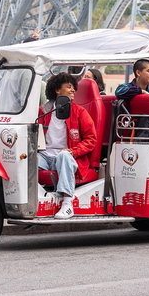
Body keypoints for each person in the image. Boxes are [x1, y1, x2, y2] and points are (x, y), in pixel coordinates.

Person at [38, 73, 97, 219]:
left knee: (64, 155)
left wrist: (73, 151)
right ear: (57, 90)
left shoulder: (79, 112)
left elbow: (91, 139)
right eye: (69, 87)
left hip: (68, 157)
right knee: (26, 160)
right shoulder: (43, 111)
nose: (73, 91)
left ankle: (67, 204)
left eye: (73, 88)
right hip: (45, 156)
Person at [115, 59, 149, 138]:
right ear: (138, 73)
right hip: (130, 127)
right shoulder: (126, 87)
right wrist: (140, 91)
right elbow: (118, 92)